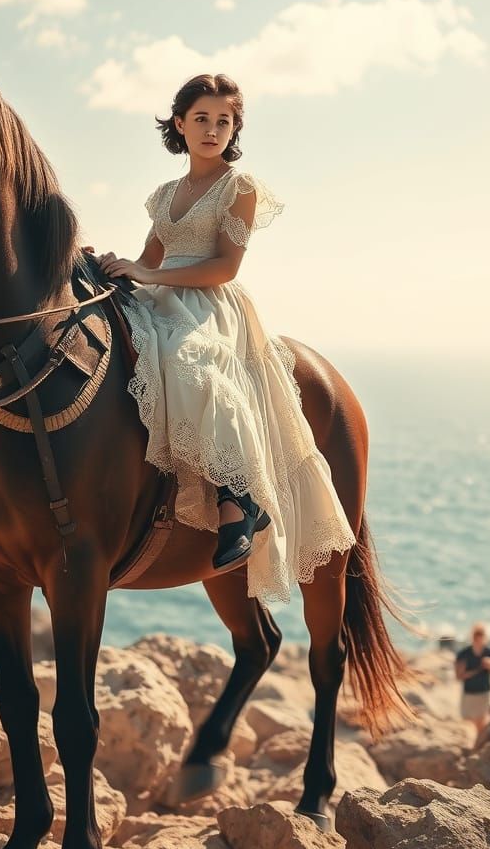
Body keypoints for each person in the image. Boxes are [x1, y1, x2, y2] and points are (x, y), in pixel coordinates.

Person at [97, 73, 356, 603]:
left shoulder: (240, 189)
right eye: (202, 119)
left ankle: (241, 496)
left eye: (224, 121)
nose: (213, 130)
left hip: (211, 304)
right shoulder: (165, 194)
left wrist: (153, 277)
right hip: (162, 291)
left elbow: (225, 267)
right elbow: (150, 259)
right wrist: (120, 267)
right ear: (180, 124)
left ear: (234, 127)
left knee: (191, 361)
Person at [455, 623, 490, 743]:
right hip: (469, 692)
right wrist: (471, 672)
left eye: (481, 636)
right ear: (472, 637)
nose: (478, 639)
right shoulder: (464, 653)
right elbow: (458, 675)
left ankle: (481, 742)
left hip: (484, 691)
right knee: (467, 719)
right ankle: (480, 739)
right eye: (476, 636)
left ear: (484, 637)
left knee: (481, 721)